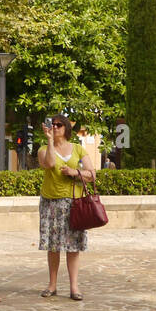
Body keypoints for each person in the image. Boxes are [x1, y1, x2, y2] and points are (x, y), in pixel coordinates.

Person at [38, 113, 97, 300]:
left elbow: (92, 174)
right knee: (53, 245)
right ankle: (52, 285)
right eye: (52, 125)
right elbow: (50, 163)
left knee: (73, 246)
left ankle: (74, 287)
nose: (55, 128)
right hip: (51, 201)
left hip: (74, 203)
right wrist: (49, 141)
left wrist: (75, 172)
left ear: (66, 128)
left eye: (59, 125)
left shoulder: (78, 149)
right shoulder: (42, 149)